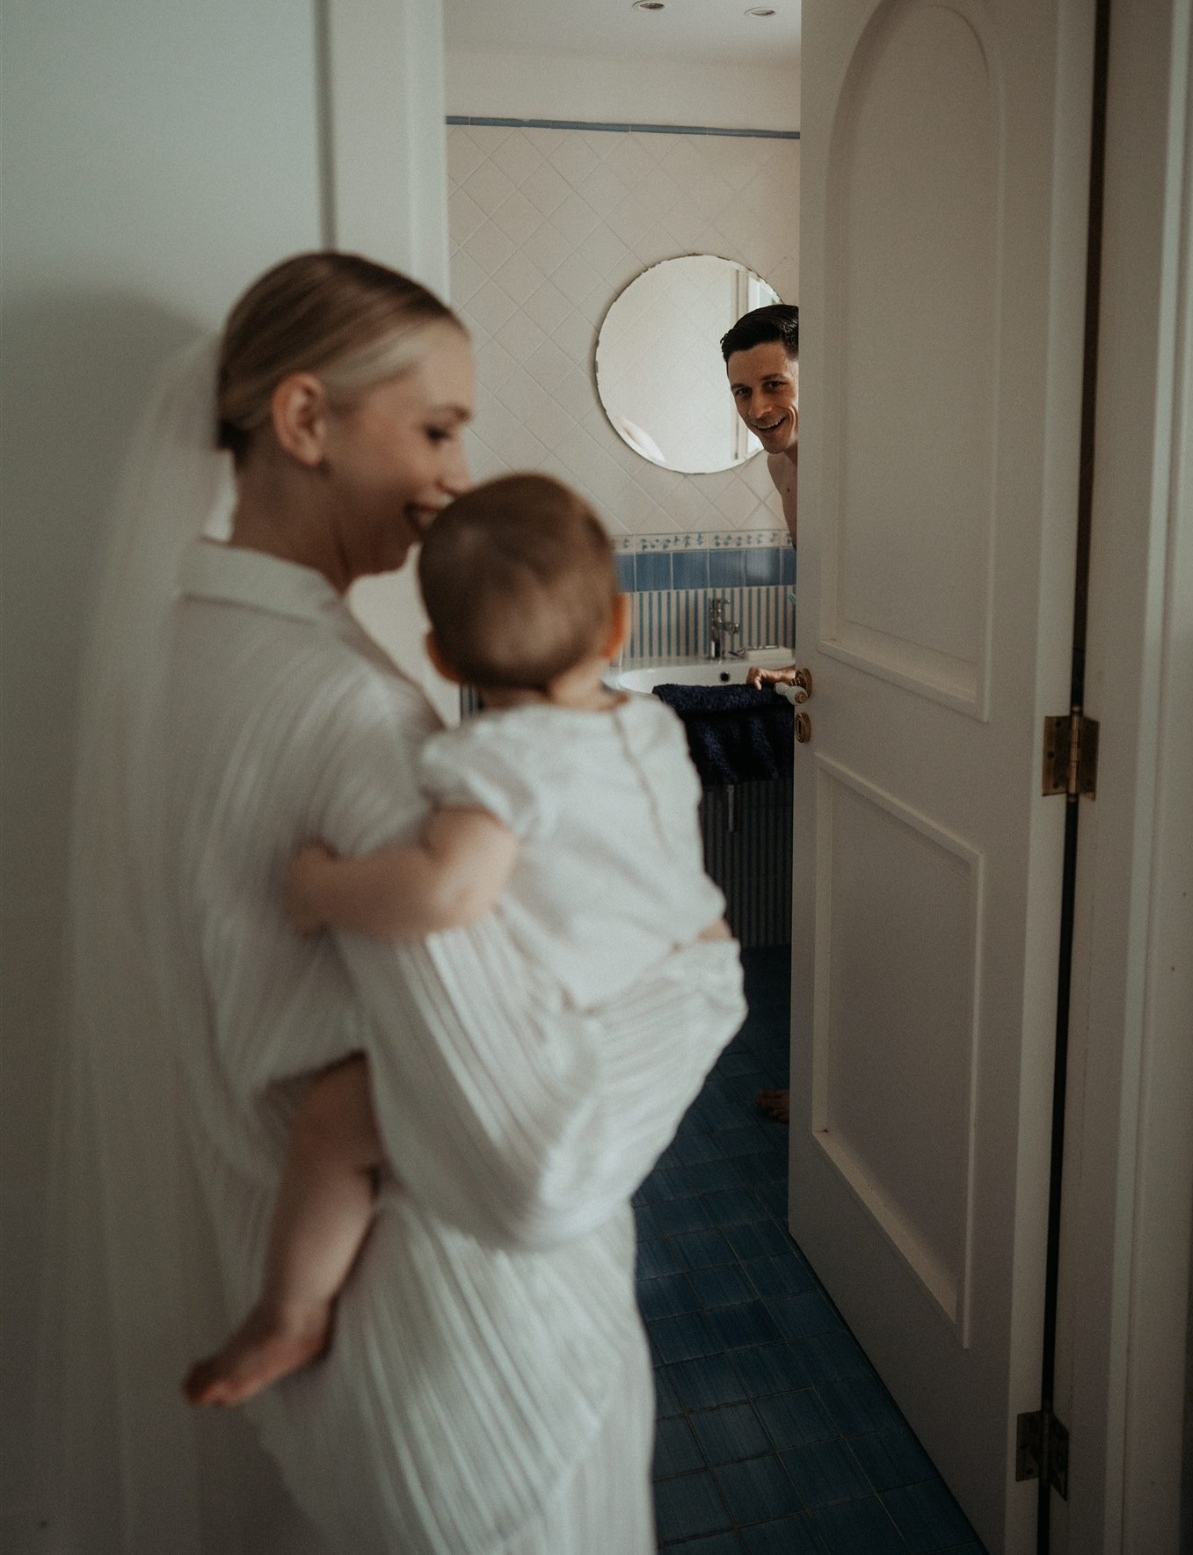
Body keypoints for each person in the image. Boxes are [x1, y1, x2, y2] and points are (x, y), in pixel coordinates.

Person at [47, 251, 746, 1555]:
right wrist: (705, 986)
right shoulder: (359, 723)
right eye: (436, 427)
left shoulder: (175, 649)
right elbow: (530, 1169)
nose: (457, 477)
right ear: (307, 421)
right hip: (479, 1360)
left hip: (340, 1313)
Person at [185, 472, 731, 1409]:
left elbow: (445, 890)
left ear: (439, 657)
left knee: (329, 1125)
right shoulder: (652, 730)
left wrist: (321, 889)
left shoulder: (503, 761)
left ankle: (291, 1313)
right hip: (688, 1003)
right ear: (618, 627)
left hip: (572, 1072)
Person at [722, 301, 801, 1123]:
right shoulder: (784, 466)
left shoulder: (857, 460)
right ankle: (828, 1087)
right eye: (741, 394)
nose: (756, 411)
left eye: (773, 384)